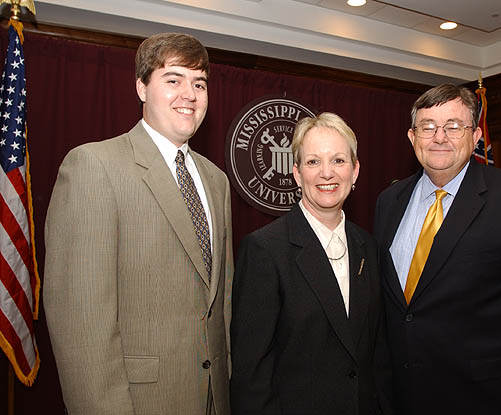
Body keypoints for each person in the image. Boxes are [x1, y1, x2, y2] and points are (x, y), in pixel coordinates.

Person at [43, 33, 233, 415]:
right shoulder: (93, 166)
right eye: (173, 79)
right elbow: (80, 324)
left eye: (199, 83)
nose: (189, 94)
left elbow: (220, 301)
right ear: (141, 88)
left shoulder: (217, 181)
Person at [373, 84, 501, 414]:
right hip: (400, 396)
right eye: (428, 127)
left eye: (453, 126)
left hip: (485, 398)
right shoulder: (388, 202)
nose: (440, 137)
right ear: (412, 137)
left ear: (476, 135)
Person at [230, 112, 391, 415]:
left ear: (355, 171)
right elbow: (250, 375)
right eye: (313, 162)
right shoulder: (265, 249)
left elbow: (377, 354)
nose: (326, 173)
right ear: (296, 173)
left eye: (339, 161)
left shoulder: (368, 246)